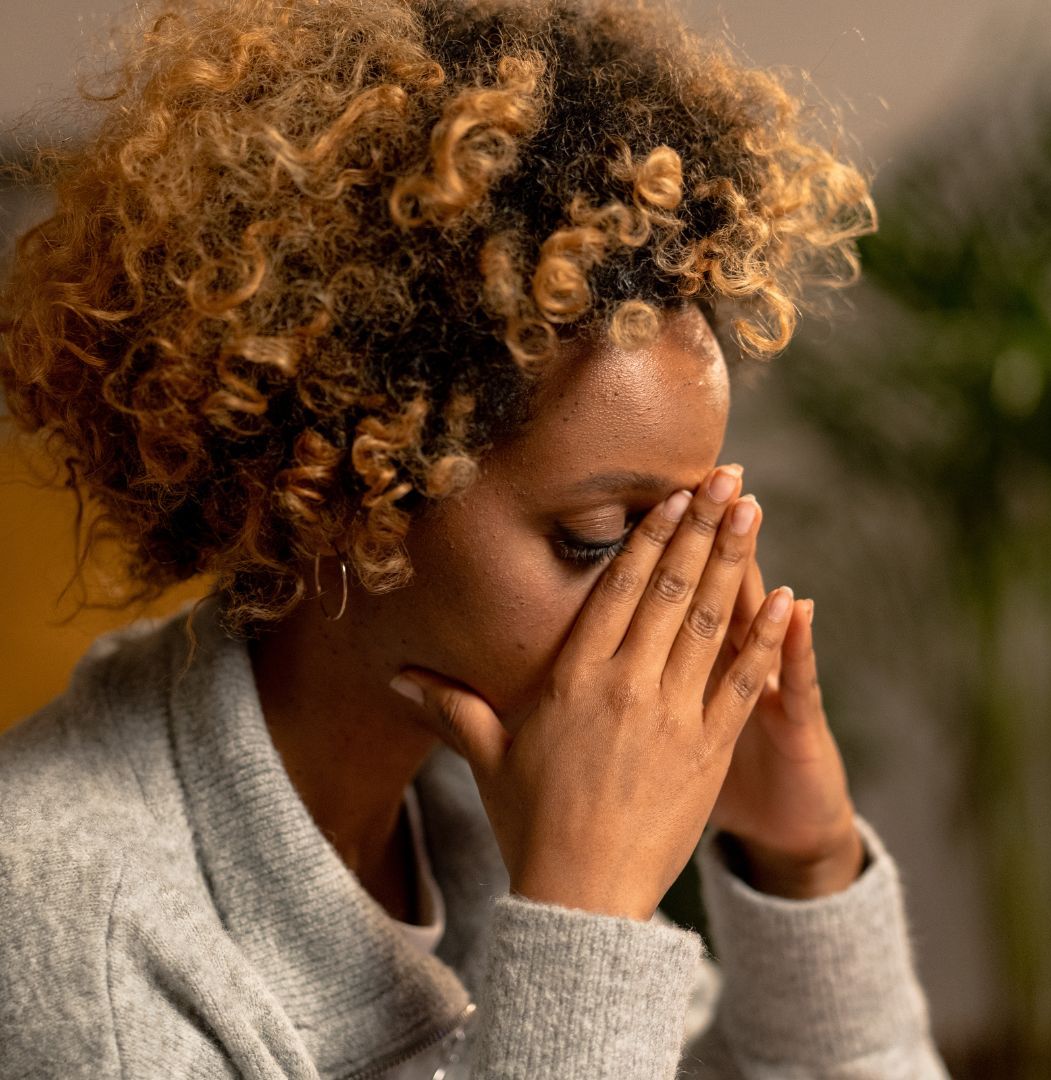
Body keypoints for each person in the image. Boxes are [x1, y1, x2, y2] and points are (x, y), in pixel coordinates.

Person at [0, 0, 950, 1076]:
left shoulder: (472, 797)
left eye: (692, 526)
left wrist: (804, 860)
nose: (679, 602)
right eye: (599, 536)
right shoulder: (77, 936)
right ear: (342, 489)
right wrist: (583, 917)